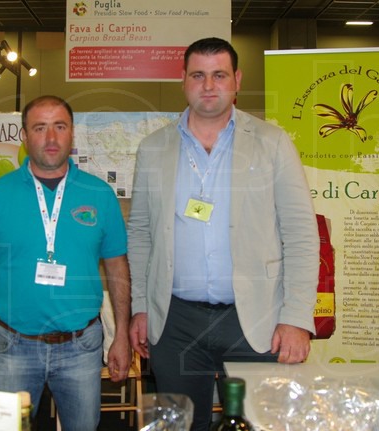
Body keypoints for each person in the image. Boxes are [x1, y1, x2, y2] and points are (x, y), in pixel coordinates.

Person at [127, 37, 320, 431]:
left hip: (256, 320)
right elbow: (141, 233)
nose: (209, 85)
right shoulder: (153, 148)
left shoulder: (272, 143)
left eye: (219, 75)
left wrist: (297, 318)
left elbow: (301, 233)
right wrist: (141, 307)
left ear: (237, 80)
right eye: (198, 75)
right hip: (175, 323)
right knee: (179, 426)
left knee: (261, 423)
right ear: (183, 80)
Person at [0, 95, 131, 431]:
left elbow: (117, 267)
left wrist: (121, 335)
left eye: (60, 127)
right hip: (13, 346)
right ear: (24, 135)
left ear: (72, 133)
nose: (51, 138)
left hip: (81, 347)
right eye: (40, 128)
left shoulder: (100, 194)